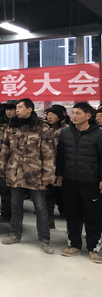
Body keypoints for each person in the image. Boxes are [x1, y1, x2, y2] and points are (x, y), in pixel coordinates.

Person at [0, 98, 56, 254]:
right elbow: (5, 150)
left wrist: (48, 175)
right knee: (15, 205)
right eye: (16, 107)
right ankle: (15, 233)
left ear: (30, 109)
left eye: (19, 107)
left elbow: (49, 154)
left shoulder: (42, 127)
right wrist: (3, 171)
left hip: (35, 174)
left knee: (41, 208)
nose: (16, 110)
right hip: (15, 173)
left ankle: (44, 239)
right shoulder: (12, 126)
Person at [56, 102, 102, 264]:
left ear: (88, 116)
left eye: (78, 113)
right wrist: (59, 174)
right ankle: (74, 245)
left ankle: (93, 248)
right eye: (73, 112)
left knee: (93, 216)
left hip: (91, 182)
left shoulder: (98, 134)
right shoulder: (65, 133)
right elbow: (60, 156)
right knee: (72, 214)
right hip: (69, 180)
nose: (74, 116)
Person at [0, 100, 17, 223]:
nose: (9, 112)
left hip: (17, 163)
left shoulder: (21, 125)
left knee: (16, 191)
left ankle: (16, 215)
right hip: (0, 162)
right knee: (4, 189)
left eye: (12, 109)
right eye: (7, 109)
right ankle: (5, 213)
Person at [45, 105, 68, 228]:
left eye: (53, 115)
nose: (50, 117)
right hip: (48, 166)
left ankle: (65, 213)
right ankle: (49, 218)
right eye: (48, 114)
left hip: (63, 165)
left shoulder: (66, 130)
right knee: (48, 194)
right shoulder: (44, 129)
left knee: (62, 194)